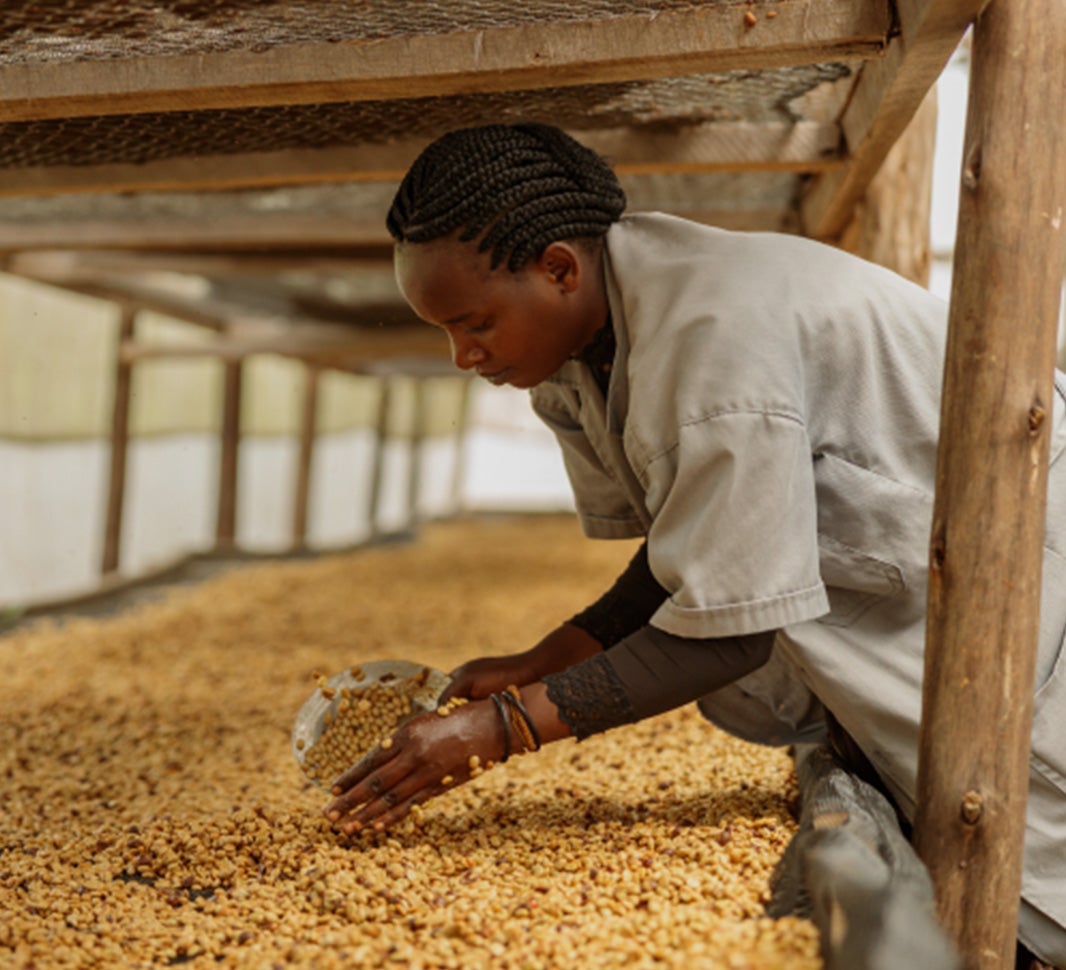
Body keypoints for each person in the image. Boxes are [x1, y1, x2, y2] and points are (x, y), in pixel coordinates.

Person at [323, 122, 1066, 967]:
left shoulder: (714, 340)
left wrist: (505, 728)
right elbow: (699, 534)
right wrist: (552, 654)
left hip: (1030, 587)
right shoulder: (577, 354)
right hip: (922, 611)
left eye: (474, 322)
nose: (462, 355)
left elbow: (729, 627)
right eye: (445, 333)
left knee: (1027, 858)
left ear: (560, 269)